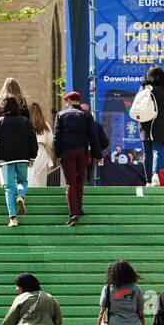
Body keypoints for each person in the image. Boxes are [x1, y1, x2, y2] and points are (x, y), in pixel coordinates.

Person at [53, 91, 104, 225]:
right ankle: (79, 208)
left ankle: (73, 214)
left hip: (66, 152)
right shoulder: (86, 115)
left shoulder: (60, 115)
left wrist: (58, 153)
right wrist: (98, 155)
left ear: (68, 101)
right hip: (82, 151)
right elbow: (93, 137)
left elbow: (57, 137)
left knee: (70, 182)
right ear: (78, 101)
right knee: (80, 180)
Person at [0, 96, 38, 227]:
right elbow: (32, 140)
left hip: (5, 160)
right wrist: (32, 156)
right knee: (22, 181)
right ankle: (21, 195)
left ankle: (13, 218)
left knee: (9, 188)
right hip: (22, 158)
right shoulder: (25, 121)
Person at [137, 66, 164, 186]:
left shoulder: (144, 88)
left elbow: (137, 104)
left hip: (145, 123)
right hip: (160, 123)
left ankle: (148, 181)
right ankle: (155, 174)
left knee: (147, 152)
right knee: (157, 150)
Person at [0, 77, 29, 165]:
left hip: (1, 139)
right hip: (19, 140)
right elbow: (27, 120)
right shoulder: (22, 101)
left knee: (3, 171)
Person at [27, 102, 55, 189]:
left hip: (28, 152)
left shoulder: (26, 123)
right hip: (41, 151)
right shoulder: (45, 125)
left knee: (29, 177)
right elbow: (51, 141)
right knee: (41, 179)